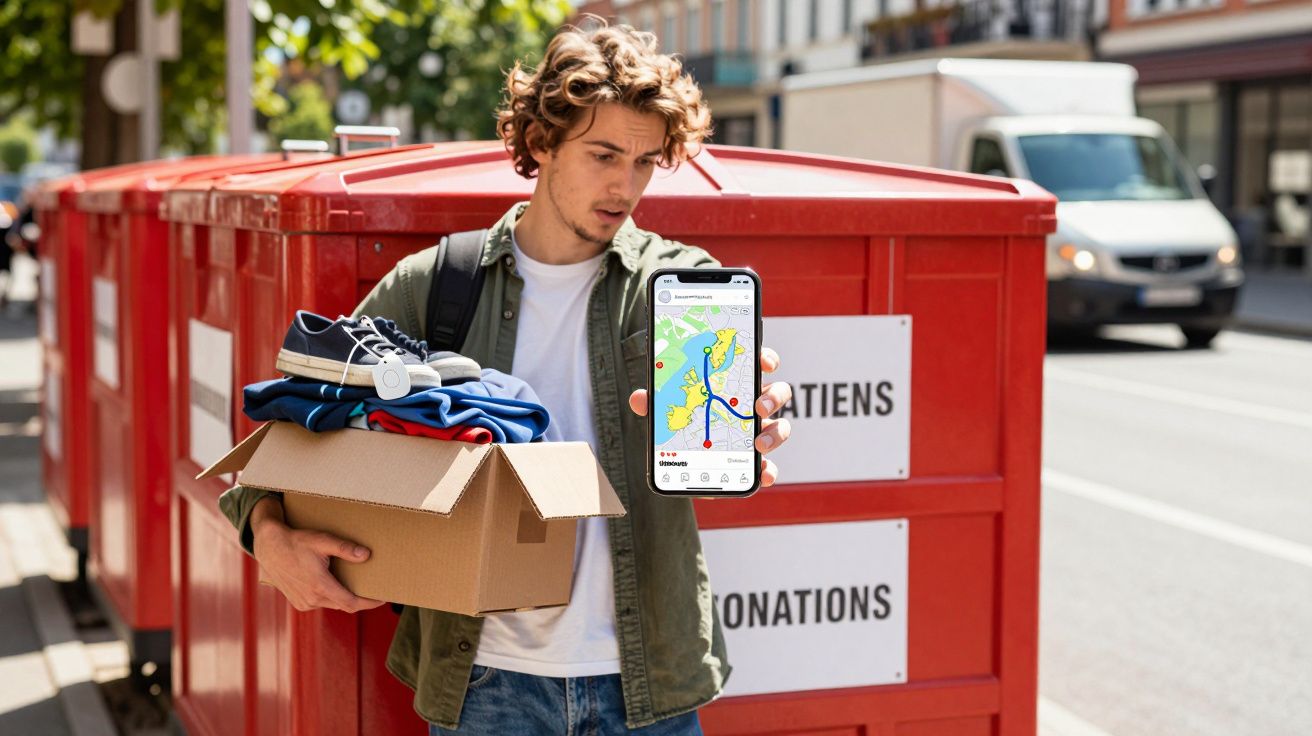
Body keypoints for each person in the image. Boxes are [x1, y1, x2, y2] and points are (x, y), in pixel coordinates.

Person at [219, 18, 794, 735]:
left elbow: (736, 416)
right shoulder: (439, 284)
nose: (625, 185)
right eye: (604, 154)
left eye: (645, 162)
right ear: (543, 142)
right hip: (485, 683)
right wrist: (265, 528)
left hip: (647, 686)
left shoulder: (679, 284)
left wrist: (759, 415)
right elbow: (286, 434)